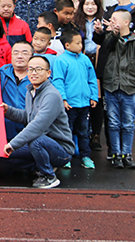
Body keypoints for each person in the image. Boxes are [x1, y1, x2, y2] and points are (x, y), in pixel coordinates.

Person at [0, 56, 74, 189]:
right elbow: (28, 116)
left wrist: (12, 144)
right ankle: (37, 167)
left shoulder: (51, 95)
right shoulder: (31, 91)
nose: (34, 73)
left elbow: (38, 125)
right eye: (31, 69)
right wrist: (8, 111)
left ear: (48, 73)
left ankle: (48, 176)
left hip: (60, 150)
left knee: (36, 139)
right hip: (39, 143)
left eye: (38, 69)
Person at [96, 10, 135, 169]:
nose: (112, 21)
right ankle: (116, 154)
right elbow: (107, 46)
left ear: (126, 22)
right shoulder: (110, 37)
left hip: (130, 86)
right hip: (111, 85)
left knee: (128, 123)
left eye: (115, 19)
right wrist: (113, 33)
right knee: (113, 123)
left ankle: (127, 154)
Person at [50, 29, 98, 170]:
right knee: (67, 132)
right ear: (67, 45)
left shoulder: (85, 59)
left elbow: (92, 79)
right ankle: (66, 157)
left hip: (84, 104)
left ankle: (85, 156)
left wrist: (93, 96)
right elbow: (58, 81)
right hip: (69, 104)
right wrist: (63, 99)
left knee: (84, 132)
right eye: (77, 43)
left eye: (81, 43)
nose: (80, 46)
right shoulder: (61, 60)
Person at [73, 0, 104, 150]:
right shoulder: (76, 22)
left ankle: (96, 134)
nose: (90, 7)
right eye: (87, 4)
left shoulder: (104, 21)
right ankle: (81, 134)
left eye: (93, 4)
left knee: (97, 97)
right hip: (81, 59)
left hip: (99, 60)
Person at [0, 41, 33, 141]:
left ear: (32, 56)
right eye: (16, 52)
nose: (19, 56)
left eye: (25, 53)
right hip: (4, 127)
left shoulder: (37, 76)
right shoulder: (1, 73)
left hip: (29, 127)